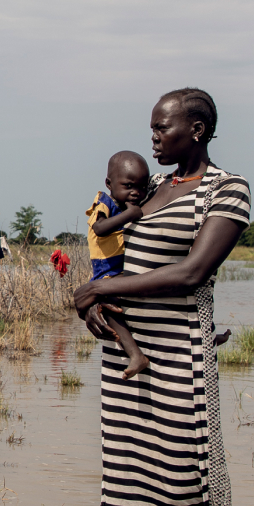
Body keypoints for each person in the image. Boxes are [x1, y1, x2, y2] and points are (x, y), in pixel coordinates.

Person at [74, 88, 249, 506]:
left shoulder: (226, 190)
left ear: (196, 130)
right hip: (126, 352)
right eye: (151, 127)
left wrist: (106, 292)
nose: (153, 138)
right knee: (132, 467)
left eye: (161, 128)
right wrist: (96, 303)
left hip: (178, 349)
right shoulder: (149, 190)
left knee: (185, 463)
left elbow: (194, 272)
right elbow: (109, 245)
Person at [86, 151, 151, 380]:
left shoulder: (123, 205)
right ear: (109, 183)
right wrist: (131, 214)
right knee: (108, 306)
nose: (136, 192)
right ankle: (135, 354)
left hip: (121, 269)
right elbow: (100, 229)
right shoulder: (103, 201)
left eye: (142, 187)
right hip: (106, 269)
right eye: (129, 185)